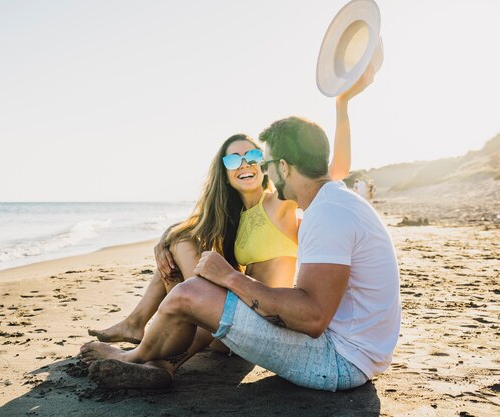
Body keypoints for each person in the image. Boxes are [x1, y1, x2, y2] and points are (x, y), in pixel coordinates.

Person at [80, 115, 401, 392]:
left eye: (266, 163)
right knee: (190, 289)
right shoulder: (332, 202)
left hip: (341, 360)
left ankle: (132, 357)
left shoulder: (325, 212)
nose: (264, 171)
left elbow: (314, 317)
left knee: (187, 295)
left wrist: (231, 278)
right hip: (353, 350)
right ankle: (156, 362)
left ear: (285, 167)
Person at [87, 67, 376, 354]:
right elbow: (191, 227)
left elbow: (335, 170)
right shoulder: (233, 218)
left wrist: (342, 105)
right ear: (223, 173)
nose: (244, 164)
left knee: (180, 241)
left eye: (252, 156)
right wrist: (163, 242)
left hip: (258, 322)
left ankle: (141, 326)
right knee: (181, 240)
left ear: (266, 165)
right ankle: (140, 325)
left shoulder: (280, 202)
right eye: (233, 160)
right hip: (229, 317)